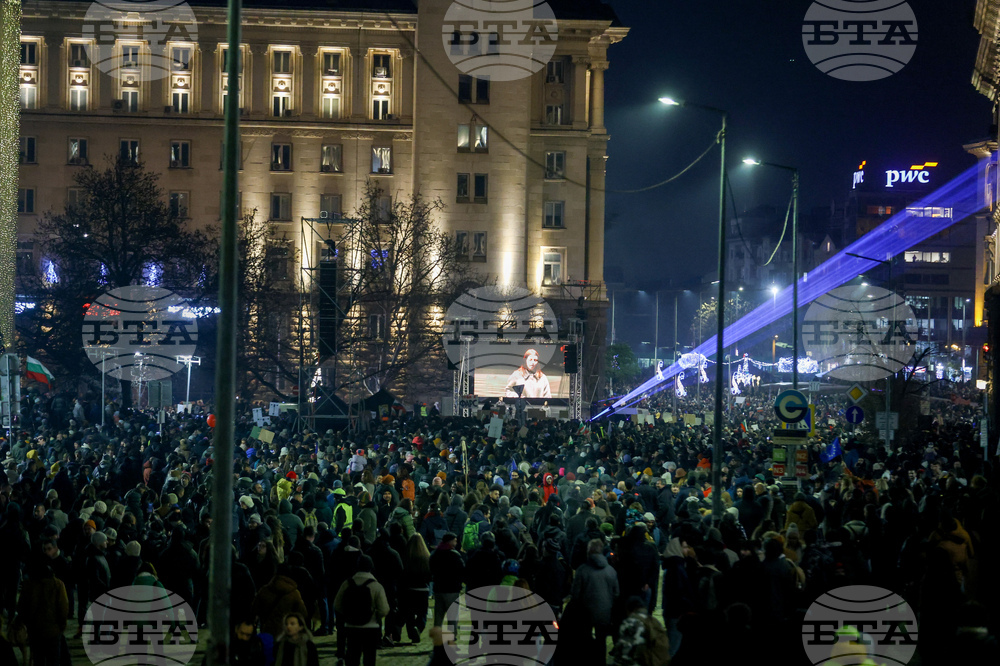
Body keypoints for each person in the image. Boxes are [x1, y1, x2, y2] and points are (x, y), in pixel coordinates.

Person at [333, 554, 389, 666]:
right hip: (371, 627)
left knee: (352, 656)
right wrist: (376, 617)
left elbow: (337, 605)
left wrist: (348, 615)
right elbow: (384, 609)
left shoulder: (347, 583)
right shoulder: (376, 586)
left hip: (351, 626)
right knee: (369, 657)